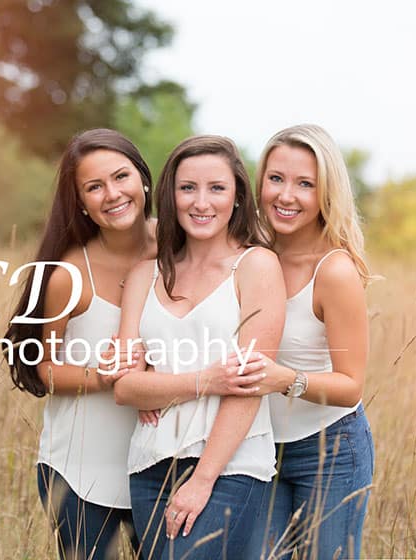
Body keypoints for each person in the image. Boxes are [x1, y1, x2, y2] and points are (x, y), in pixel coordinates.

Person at [112, 135, 286, 559]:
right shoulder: (144, 276)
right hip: (149, 464)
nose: (201, 202)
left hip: (229, 467)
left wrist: (204, 478)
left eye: (217, 188)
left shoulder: (256, 266)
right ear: (171, 196)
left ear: (238, 198)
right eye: (188, 188)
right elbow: (124, 388)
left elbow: (249, 385)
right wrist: (205, 380)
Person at [2, 129, 156, 559]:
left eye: (121, 176)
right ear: (82, 202)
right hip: (81, 474)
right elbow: (41, 366)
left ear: (143, 179)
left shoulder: (179, 250)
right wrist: (110, 377)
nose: (112, 194)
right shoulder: (69, 274)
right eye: (94, 186)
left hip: (160, 464)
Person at [245, 124, 375, 559]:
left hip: (329, 451)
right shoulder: (249, 254)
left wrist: (285, 378)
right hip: (259, 448)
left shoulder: (334, 272)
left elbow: (351, 386)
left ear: (326, 193)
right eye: (277, 179)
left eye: (305, 184)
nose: (286, 195)